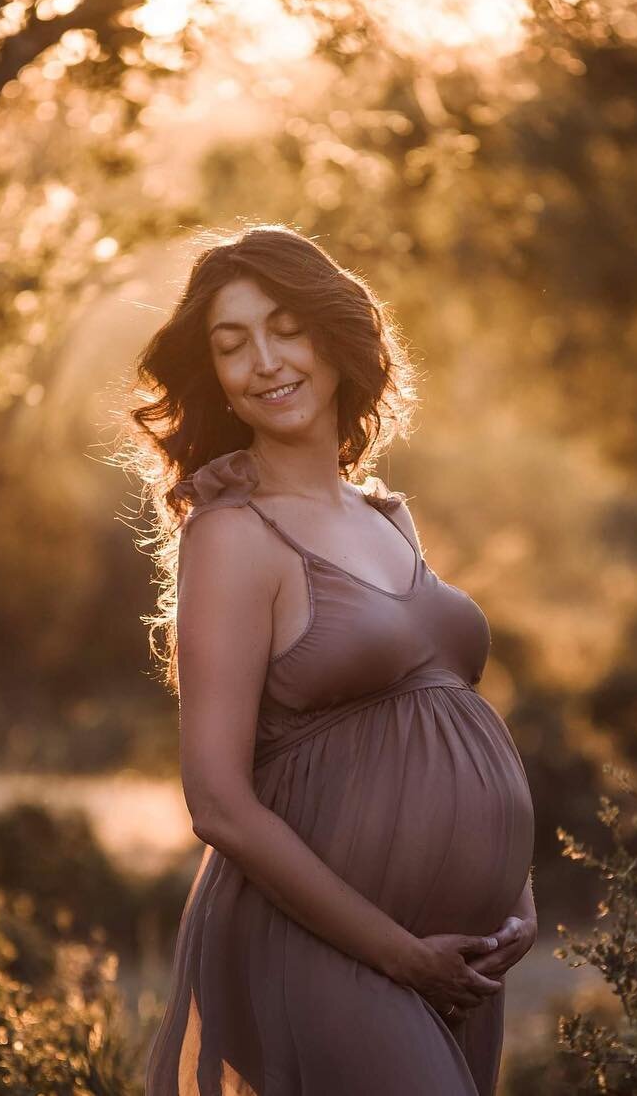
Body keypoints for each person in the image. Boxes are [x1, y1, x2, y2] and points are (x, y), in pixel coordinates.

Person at [127, 224, 537, 1095]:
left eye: (286, 328)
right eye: (232, 346)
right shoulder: (233, 536)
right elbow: (218, 804)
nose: (266, 361)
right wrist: (398, 956)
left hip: (457, 955)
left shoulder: (388, 518)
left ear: (333, 335)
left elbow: (448, 713)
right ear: (217, 382)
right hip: (329, 949)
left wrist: (516, 897)